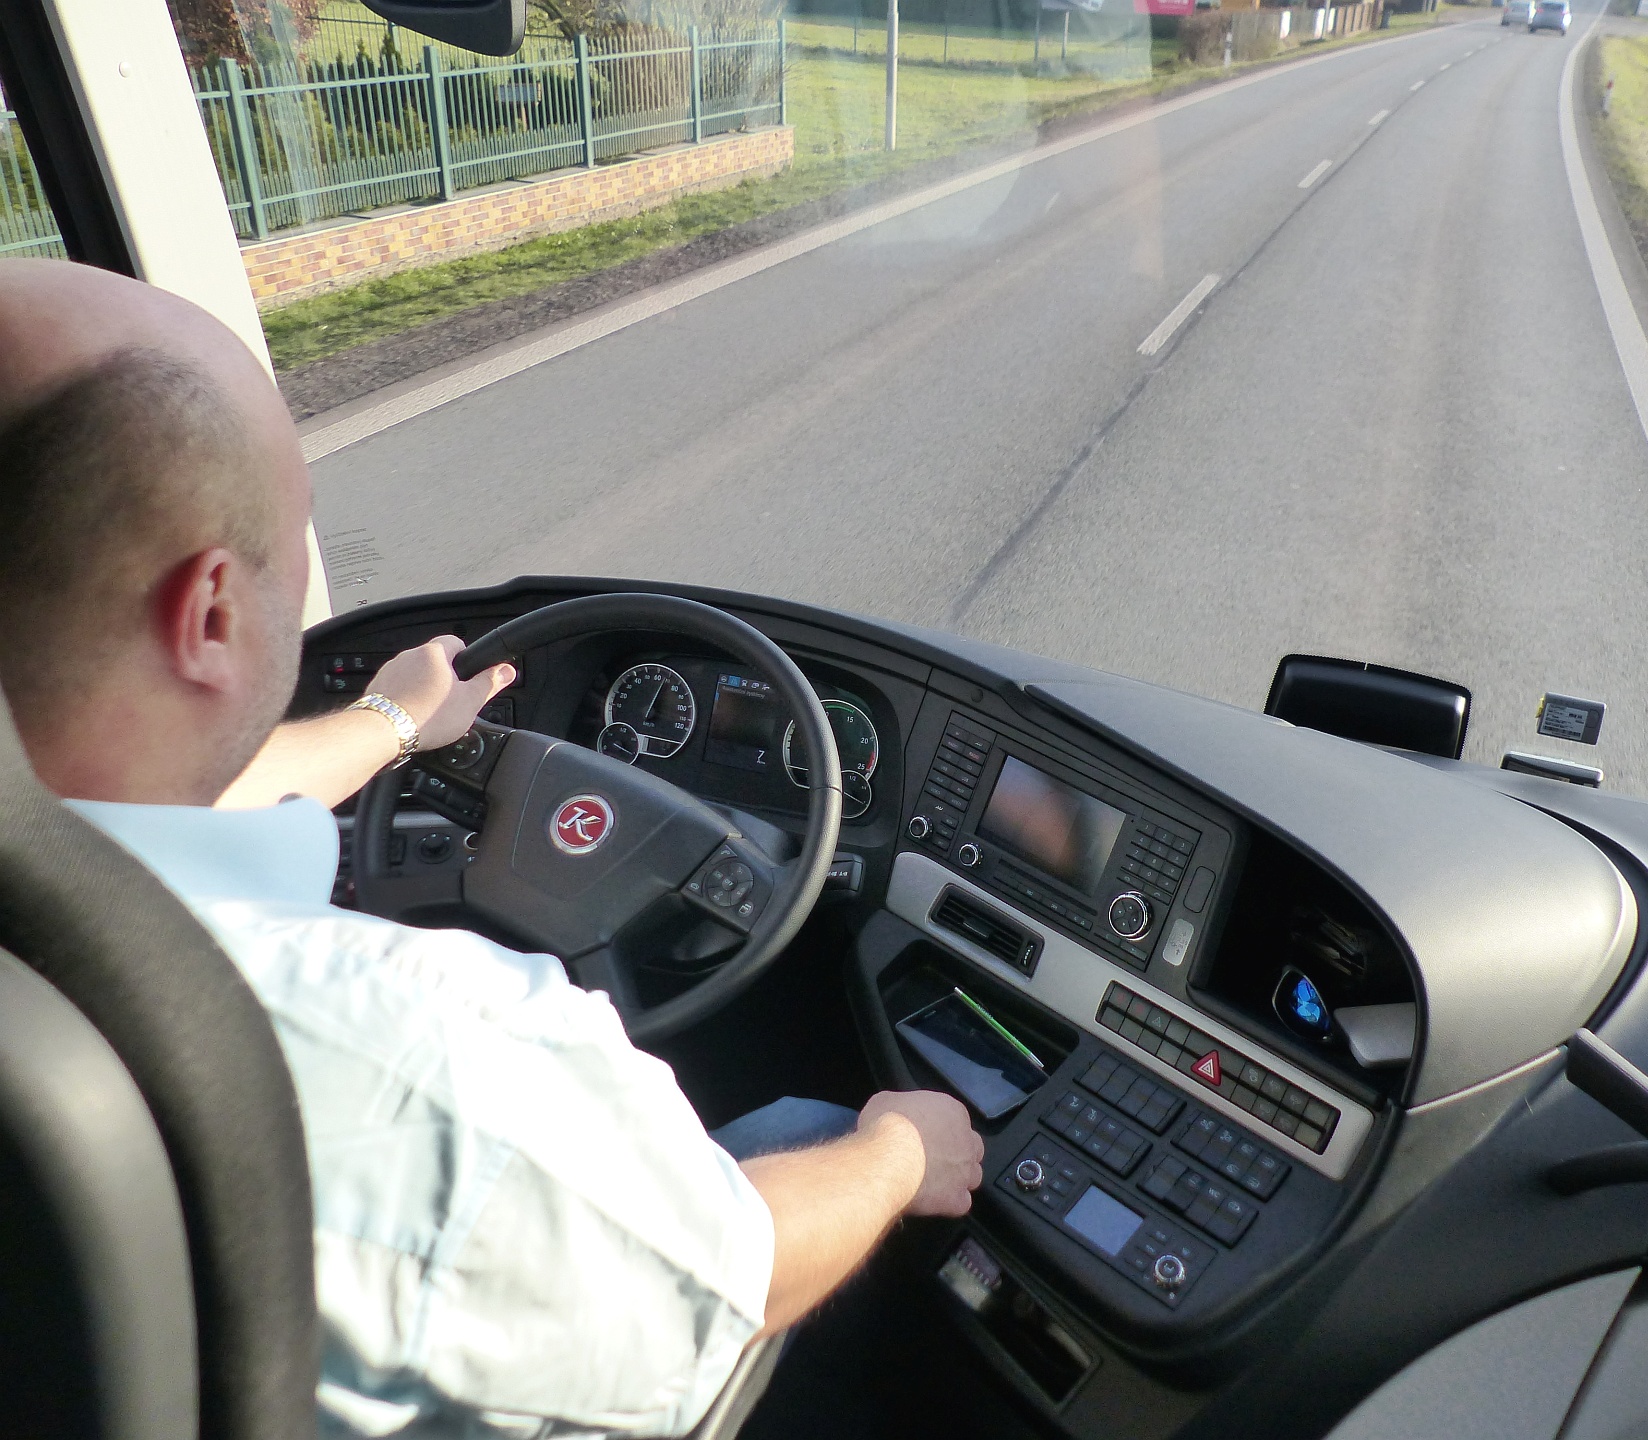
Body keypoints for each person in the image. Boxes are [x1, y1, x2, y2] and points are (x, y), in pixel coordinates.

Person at [0, 257, 985, 1437]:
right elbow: (730, 1275)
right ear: (209, 615)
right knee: (809, 1136)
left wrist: (393, 721)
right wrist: (897, 1152)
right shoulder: (425, 1054)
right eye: (292, 534)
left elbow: (163, 802)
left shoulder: (57, 867)